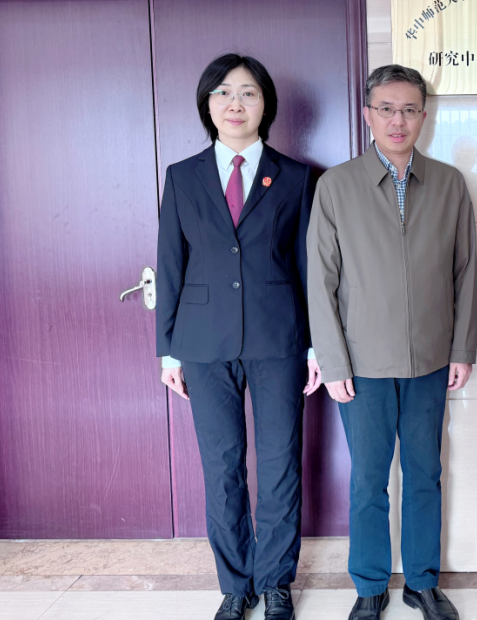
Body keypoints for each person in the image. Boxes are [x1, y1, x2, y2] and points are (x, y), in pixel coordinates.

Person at [307, 64, 477, 620]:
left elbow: (465, 273)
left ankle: (422, 582)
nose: (397, 120)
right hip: (362, 365)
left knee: (425, 474)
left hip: (431, 359)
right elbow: (320, 281)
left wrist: (462, 349)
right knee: (368, 480)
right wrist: (333, 362)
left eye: (408, 109)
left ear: (424, 116)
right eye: (386, 109)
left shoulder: (449, 183)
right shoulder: (337, 186)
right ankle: (370, 584)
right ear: (367, 115)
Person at [156, 54, 321, 620]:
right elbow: (170, 265)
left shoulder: (296, 177)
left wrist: (316, 345)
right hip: (203, 345)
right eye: (223, 92)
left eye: (248, 93)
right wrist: (168, 350)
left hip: (278, 341)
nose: (235, 103)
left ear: (265, 104)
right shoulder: (183, 176)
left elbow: (309, 267)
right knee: (222, 466)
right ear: (208, 104)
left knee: (280, 464)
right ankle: (234, 584)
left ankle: (275, 582)